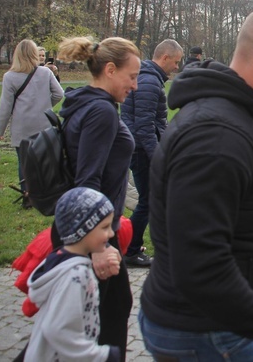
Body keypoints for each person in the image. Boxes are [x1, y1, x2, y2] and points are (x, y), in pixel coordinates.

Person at [139, 4, 253, 361]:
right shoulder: (218, 136)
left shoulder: (233, 119)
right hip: (207, 332)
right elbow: (200, 268)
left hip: (215, 325)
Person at [57, 36, 140, 359]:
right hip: (94, 234)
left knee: (93, 313)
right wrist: (99, 246)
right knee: (111, 312)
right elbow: (87, 181)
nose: (134, 86)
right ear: (109, 70)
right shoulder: (101, 112)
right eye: (131, 77)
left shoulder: (85, 103)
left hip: (91, 230)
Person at [26, 187, 120, 361]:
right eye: (105, 227)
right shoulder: (75, 276)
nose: (111, 233)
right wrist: (101, 356)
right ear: (83, 230)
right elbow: (58, 329)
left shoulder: (60, 260)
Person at [120, 39, 182, 267]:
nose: (176, 67)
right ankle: (131, 249)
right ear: (164, 57)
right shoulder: (149, 81)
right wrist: (158, 157)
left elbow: (155, 122)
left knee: (150, 200)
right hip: (141, 150)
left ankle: (130, 245)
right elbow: (144, 126)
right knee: (147, 201)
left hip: (141, 147)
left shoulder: (149, 78)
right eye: (175, 62)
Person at [0, 39, 64, 193]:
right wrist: (46, 106)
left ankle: (27, 194)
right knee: (44, 159)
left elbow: (6, 106)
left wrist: (0, 130)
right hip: (44, 124)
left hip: (22, 126)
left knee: (24, 162)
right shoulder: (46, 72)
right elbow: (59, 93)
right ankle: (45, 192)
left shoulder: (10, 77)